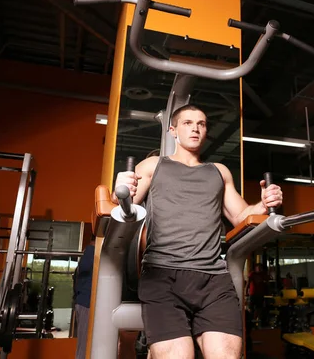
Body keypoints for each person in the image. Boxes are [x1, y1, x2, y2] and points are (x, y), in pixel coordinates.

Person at [111, 104, 283, 359]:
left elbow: (240, 216)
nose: (195, 128)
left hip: (213, 278)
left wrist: (264, 203)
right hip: (163, 276)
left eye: (201, 124)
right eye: (188, 123)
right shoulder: (153, 165)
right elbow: (124, 204)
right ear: (173, 131)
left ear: (206, 131)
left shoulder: (219, 172)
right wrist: (120, 188)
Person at [73, 234, 95, 359]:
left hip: (85, 302)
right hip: (86, 303)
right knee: (85, 345)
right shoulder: (91, 252)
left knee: (87, 344)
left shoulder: (90, 253)